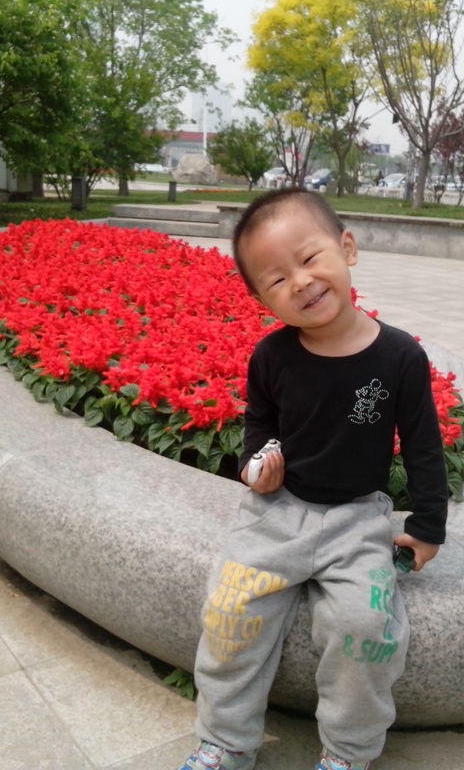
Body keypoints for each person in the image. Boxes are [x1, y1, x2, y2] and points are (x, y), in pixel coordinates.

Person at [175, 188, 448, 770]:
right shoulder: (272, 356)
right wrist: (257, 468)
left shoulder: (399, 356)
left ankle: (347, 752)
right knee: (229, 612)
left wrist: (428, 526)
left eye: (309, 258)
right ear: (261, 299)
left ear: (346, 248)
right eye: (277, 280)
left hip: (358, 518)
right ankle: (226, 740)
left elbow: (424, 446)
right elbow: (259, 427)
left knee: (364, 627)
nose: (300, 282)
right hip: (278, 512)